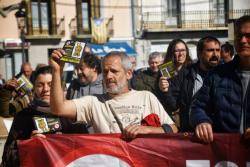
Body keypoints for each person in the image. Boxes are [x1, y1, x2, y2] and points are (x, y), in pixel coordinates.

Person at [50, 50, 178, 138]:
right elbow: (58, 108)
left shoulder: (146, 97)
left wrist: (148, 130)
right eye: (105, 72)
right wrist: (57, 71)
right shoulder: (93, 102)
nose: (108, 76)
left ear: (128, 74)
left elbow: (174, 128)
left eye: (114, 71)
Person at [1, 66, 88, 167]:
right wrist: (29, 145)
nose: (45, 89)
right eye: (40, 85)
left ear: (61, 86)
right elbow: (8, 158)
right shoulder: (24, 116)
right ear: (34, 88)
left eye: (51, 84)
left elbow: (86, 153)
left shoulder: (73, 114)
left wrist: (64, 142)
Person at [190, 15, 250, 143]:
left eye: (248, 36)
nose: (243, 41)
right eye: (239, 36)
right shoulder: (217, 74)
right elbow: (197, 107)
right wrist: (201, 121)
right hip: (225, 156)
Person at [159, 36, 221, 132]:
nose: (180, 54)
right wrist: (165, 90)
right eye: (177, 51)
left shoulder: (224, 73)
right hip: (189, 130)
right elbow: (173, 104)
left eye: (183, 50)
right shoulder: (167, 68)